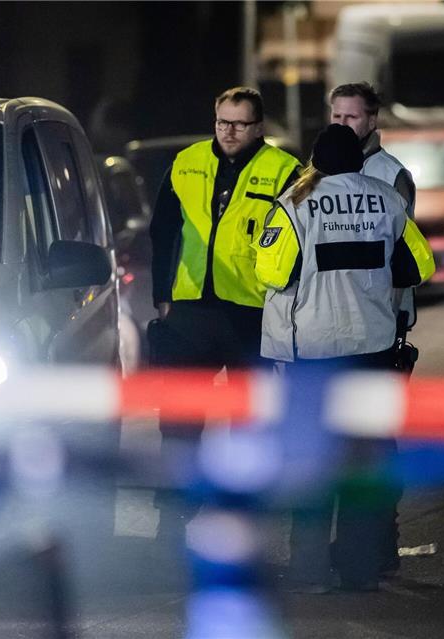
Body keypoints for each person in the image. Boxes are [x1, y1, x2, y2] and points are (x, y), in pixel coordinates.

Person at [254, 124, 434, 590]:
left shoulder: (295, 202)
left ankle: (310, 572)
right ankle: (359, 572)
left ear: (316, 158)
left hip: (312, 356)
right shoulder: (386, 199)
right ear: (358, 159)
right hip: (371, 353)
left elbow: (270, 272)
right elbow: (422, 266)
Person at [148, 86, 301, 538]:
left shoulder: (284, 170)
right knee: (179, 417)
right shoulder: (187, 161)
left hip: (250, 312)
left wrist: (285, 306)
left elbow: (297, 241)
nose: (229, 132)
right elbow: (162, 231)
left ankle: (239, 509)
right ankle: (174, 510)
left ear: (259, 127)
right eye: (222, 122)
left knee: (246, 420)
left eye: (239, 124)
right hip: (190, 307)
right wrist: (162, 293)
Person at [330, 82, 418, 575]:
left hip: (381, 330)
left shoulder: (391, 176)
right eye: (337, 117)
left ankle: (381, 544)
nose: (343, 125)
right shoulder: (318, 172)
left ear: (373, 121)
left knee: (376, 441)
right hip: (334, 329)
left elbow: (404, 259)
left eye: (352, 118)